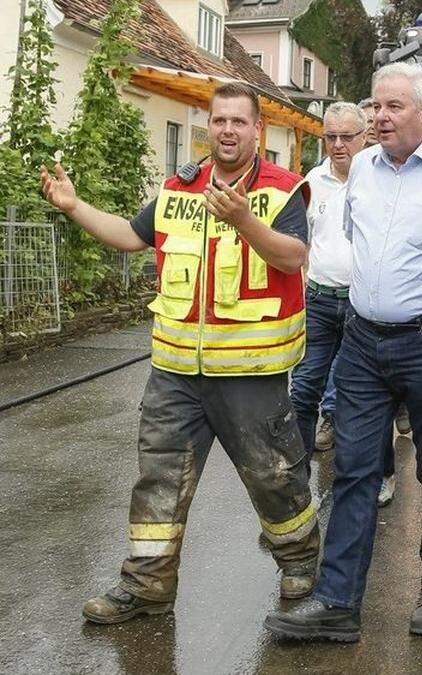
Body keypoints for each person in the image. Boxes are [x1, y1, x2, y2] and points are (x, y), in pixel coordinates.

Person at [40, 82, 321, 623]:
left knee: (274, 475)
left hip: (250, 372)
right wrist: (75, 206)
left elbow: (293, 257)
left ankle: (299, 561)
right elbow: (129, 235)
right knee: (158, 477)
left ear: (257, 130)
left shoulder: (282, 190)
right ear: (209, 126)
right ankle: (146, 584)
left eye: (239, 122)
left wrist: (244, 220)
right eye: (219, 121)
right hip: (175, 372)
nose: (228, 131)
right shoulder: (178, 188)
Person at [263, 62, 422, 642]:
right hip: (362, 340)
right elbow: (357, 242)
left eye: (393, 107)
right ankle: (338, 603)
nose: (379, 117)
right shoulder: (364, 172)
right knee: (354, 469)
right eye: (375, 106)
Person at [290, 102, 367, 461]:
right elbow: (301, 243)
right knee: (303, 389)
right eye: (330, 137)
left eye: (346, 137)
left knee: (356, 395)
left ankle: (357, 478)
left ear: (364, 137)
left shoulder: (377, 179)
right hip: (319, 300)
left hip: (361, 305)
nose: (338, 145)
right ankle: (298, 479)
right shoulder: (310, 183)